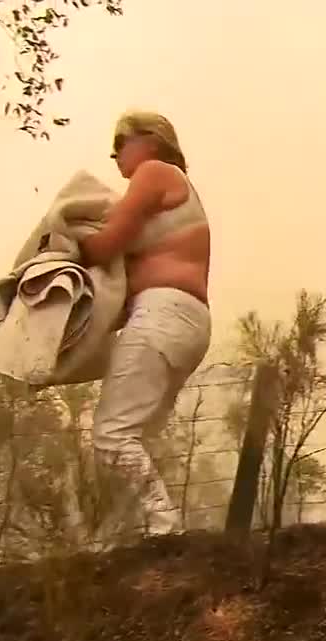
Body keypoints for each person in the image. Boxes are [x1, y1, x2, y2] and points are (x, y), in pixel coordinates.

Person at [79, 110, 212, 537]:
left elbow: (103, 246)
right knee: (134, 438)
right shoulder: (173, 192)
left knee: (112, 437)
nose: (114, 154)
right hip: (184, 321)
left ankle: (163, 526)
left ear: (150, 141)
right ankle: (135, 534)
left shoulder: (155, 173)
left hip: (162, 314)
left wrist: (62, 242)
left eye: (121, 142)